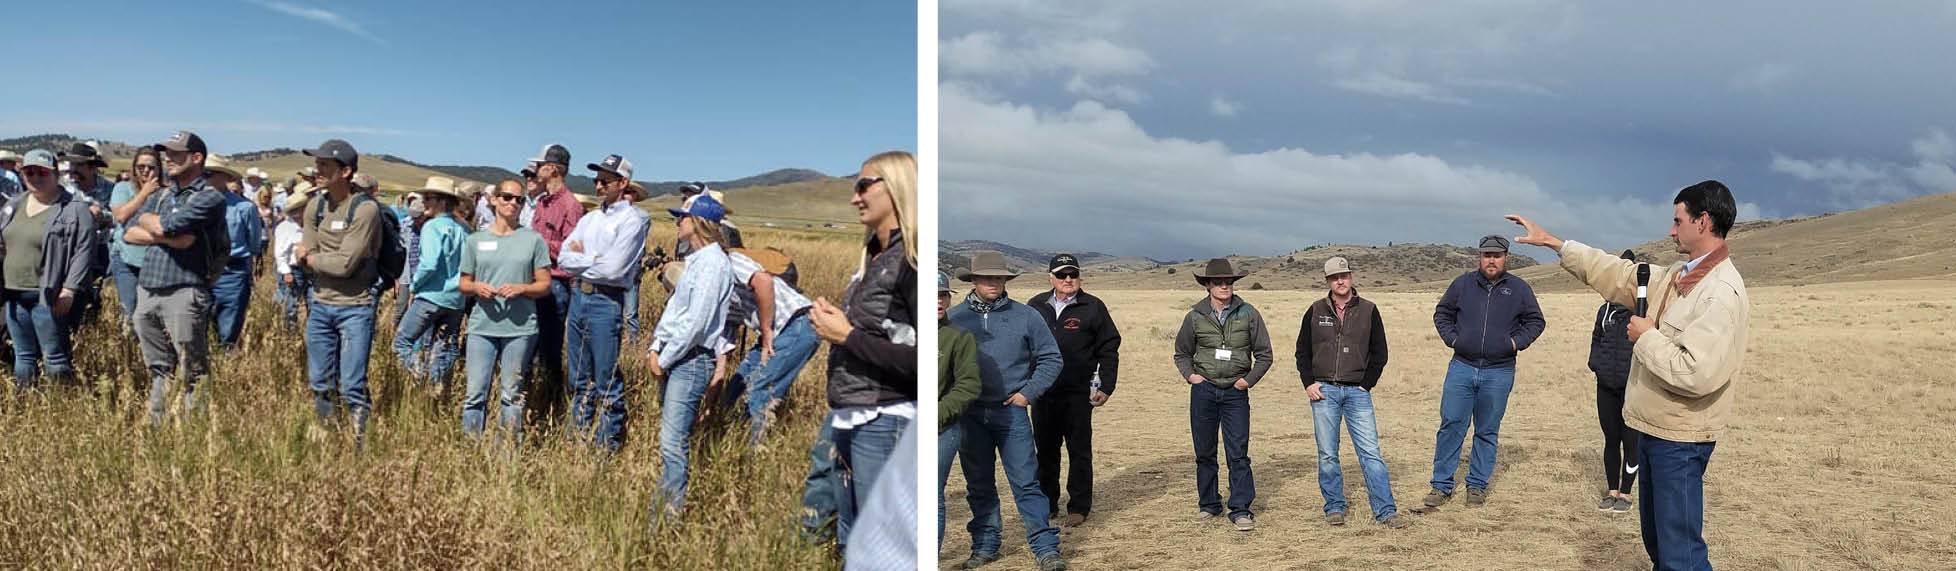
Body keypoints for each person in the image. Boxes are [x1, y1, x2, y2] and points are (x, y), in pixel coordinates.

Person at [1508, 180, 1750, 571]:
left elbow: (1697, 373)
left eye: (1678, 220)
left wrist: (1645, 337)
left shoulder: (1720, 292)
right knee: (1659, 544)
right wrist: (1557, 244)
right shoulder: (1679, 275)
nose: (1671, 231)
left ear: (1703, 221)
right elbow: (1619, 274)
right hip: (1655, 430)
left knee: (1680, 552)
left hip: (1681, 439)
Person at [801, 152, 919, 561]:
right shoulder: (873, 257)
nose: (855, 198)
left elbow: (926, 362)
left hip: (886, 419)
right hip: (854, 415)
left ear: (896, 185)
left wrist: (846, 335)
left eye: (863, 185)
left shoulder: (910, 262)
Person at [944, 250, 1066, 571]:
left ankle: (1045, 546)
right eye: (987, 277)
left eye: (999, 277)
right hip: (970, 415)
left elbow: (1051, 358)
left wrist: (1027, 394)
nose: (994, 282)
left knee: (1026, 481)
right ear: (974, 281)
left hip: (1012, 411)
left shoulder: (1026, 316)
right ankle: (985, 545)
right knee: (979, 483)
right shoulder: (954, 319)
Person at [1424, 235, 1547, 510]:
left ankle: (1477, 486)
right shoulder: (1462, 284)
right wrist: (1454, 340)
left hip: (1499, 372)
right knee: (1451, 425)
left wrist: (1514, 343)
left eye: (1497, 255)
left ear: (1506, 258)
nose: (1492, 260)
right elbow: (1442, 313)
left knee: (1487, 431)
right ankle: (1441, 486)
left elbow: (1536, 321)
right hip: (1462, 368)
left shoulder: (1519, 289)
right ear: (1479, 257)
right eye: (1487, 255)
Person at [122, 131, 229, 424]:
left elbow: (171, 223)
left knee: (192, 368)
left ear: (197, 158)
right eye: (167, 153)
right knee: (158, 366)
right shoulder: (161, 194)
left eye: (177, 154)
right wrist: (167, 238)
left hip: (185, 288)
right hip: (149, 287)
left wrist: (158, 228)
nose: (168, 158)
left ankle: (194, 432)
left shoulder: (209, 197)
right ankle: (158, 425)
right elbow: (130, 232)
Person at [1296, 256, 1410, 528]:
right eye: (1335, 277)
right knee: (1327, 453)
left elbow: (1380, 352)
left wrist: (1366, 384)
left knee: (1370, 452)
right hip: (1324, 392)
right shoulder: (1315, 311)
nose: (1340, 280)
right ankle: (1334, 506)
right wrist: (1309, 383)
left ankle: (1385, 511)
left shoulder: (1369, 310)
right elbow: (1302, 351)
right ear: (1327, 281)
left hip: (1357, 392)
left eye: (1344, 275)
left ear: (1351, 277)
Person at [644, 193, 734, 514]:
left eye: (681, 217)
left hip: (691, 359)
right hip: (679, 356)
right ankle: (664, 511)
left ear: (697, 223)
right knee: (670, 442)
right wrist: (657, 347)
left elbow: (696, 322)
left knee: (673, 444)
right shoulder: (699, 261)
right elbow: (675, 313)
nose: (677, 222)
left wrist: (663, 359)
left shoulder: (712, 265)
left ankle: (666, 519)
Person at [1172, 257, 1273, 532]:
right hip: (1203, 391)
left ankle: (1240, 508)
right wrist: (1191, 376)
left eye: (1228, 281)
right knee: (1204, 451)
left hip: (1235, 394)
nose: (1224, 286)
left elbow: (1264, 354)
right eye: (1218, 282)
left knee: (1238, 452)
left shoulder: (1249, 313)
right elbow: (1182, 352)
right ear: (1208, 286)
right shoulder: (1194, 316)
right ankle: (1209, 504)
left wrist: (1247, 381)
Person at [295, 139, 384, 441]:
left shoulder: (365, 210)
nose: (316, 170)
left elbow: (344, 264)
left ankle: (359, 446)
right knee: (319, 380)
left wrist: (311, 259)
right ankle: (328, 438)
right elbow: (309, 256)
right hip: (320, 303)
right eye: (317, 164)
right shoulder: (314, 207)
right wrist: (315, 259)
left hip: (356, 306)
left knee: (352, 384)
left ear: (345, 171)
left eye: (324, 165)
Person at [559, 154, 649, 451]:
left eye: (605, 180)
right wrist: (594, 258)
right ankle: (577, 437)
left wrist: (582, 259)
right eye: (596, 180)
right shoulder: (591, 218)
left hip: (605, 301)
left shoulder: (633, 220)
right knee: (578, 374)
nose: (598, 185)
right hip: (579, 297)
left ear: (623, 183)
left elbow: (614, 270)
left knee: (605, 376)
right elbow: (563, 257)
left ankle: (607, 445)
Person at [1025, 253, 1121, 528]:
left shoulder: (1093, 307)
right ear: (1051, 278)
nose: (1068, 280)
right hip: (1042, 391)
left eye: (1073, 274)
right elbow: (1024, 346)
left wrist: (1107, 385)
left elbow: (1109, 347)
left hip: (1079, 392)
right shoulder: (1035, 306)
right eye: (1062, 275)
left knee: (1079, 450)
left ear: (1080, 277)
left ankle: (1079, 506)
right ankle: (1047, 503)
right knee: (1045, 450)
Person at [458, 180, 554, 438]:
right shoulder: (476, 240)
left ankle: (508, 453)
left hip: (520, 328)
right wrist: (477, 287)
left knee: (512, 395)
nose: (513, 203)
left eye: (519, 200)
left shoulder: (533, 240)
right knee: (474, 394)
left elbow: (545, 284)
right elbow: (463, 283)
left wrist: (523, 289)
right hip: (482, 327)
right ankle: (470, 450)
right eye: (507, 197)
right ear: (493, 199)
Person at [0, 149, 97, 386]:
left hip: (48, 295)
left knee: (54, 357)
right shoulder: (14, 204)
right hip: (13, 293)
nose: (35, 177)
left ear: (55, 174)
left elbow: (83, 252)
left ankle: (61, 403)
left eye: (42, 172)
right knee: (23, 356)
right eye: (29, 172)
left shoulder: (74, 209)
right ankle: (26, 405)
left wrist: (70, 289)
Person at [723, 242, 820, 443]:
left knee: (762, 391)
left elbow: (763, 281)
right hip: (778, 331)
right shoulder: (712, 295)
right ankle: (729, 435)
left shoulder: (728, 260)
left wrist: (767, 331)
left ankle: (752, 456)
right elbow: (724, 341)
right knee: (736, 384)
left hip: (796, 323)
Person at [521, 144, 582, 422]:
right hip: (534, 280)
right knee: (528, 344)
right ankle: (531, 397)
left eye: (541, 165)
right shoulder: (542, 203)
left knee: (549, 347)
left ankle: (552, 402)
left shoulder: (571, 206)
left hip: (556, 285)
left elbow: (573, 251)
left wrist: (537, 244)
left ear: (554, 168)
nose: (536, 169)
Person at [393, 177, 469, 389]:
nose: (424, 202)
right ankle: (437, 385)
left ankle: (421, 378)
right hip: (456, 299)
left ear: (442, 201)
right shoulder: (464, 229)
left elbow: (429, 263)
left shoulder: (432, 226)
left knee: (401, 342)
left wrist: (415, 286)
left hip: (430, 296)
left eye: (428, 198)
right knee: (445, 346)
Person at [1589, 249, 1641, 514]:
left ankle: (1627, 492)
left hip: (1632, 389)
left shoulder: (1643, 310)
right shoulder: (1605, 310)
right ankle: (1611, 490)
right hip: (1605, 385)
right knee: (1611, 439)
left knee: (1631, 441)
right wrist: (1595, 365)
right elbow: (1596, 339)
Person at [936, 270, 982, 546]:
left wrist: (935, 414)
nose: (939, 302)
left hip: (942, 427)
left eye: (942, 295)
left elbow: (968, 385)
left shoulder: (958, 337)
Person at [205, 155, 263, 350]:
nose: (204, 177)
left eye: (209, 174)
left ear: (223, 177)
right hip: (200, 268)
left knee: (229, 326)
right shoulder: (193, 204)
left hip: (233, 271)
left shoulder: (244, 207)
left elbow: (254, 243)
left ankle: (225, 364)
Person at [56, 143, 114, 324]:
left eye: (79, 165)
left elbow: (120, 216)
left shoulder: (110, 189)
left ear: (93, 168)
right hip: (69, 251)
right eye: (71, 164)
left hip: (100, 249)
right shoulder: (62, 188)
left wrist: (102, 216)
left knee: (99, 296)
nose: (73, 169)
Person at [107, 148, 162, 329]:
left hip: (155, 259)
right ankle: (128, 349)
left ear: (159, 168)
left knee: (152, 313)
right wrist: (144, 193)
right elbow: (121, 216)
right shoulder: (123, 188)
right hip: (127, 258)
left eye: (151, 167)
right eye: (141, 167)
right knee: (130, 310)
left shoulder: (165, 192)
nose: (146, 171)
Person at [272, 191, 310, 328]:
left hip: (307, 269)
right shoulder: (286, 228)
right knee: (290, 303)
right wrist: (286, 272)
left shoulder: (307, 227)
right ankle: (288, 330)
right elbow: (280, 252)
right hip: (293, 270)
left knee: (307, 301)